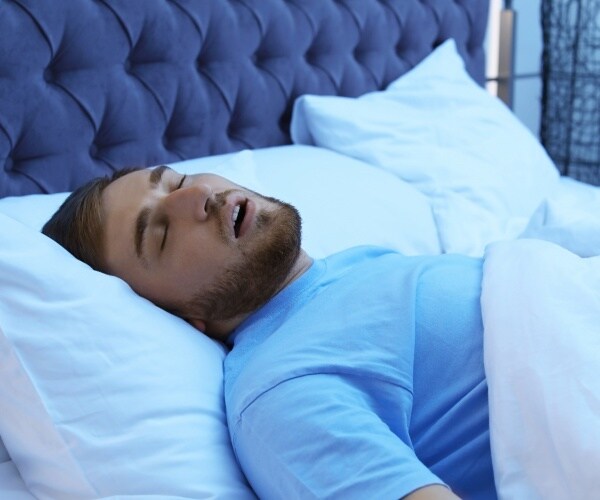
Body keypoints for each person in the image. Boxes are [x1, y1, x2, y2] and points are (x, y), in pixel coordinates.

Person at [42, 165, 497, 500]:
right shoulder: (279, 394)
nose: (199, 194)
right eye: (160, 233)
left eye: (177, 181)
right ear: (176, 319)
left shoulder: (351, 268)